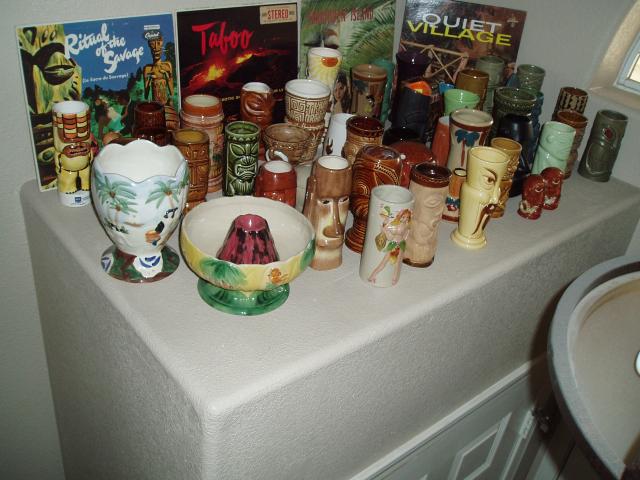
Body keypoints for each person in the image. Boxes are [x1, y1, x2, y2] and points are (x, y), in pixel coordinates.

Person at [367, 208, 412, 285]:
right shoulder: (397, 225)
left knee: (397, 263)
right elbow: (391, 237)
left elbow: (401, 235)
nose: (405, 219)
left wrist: (385, 230)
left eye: (407, 217)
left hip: (399, 244)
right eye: (403, 217)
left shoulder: (404, 226)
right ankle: (372, 276)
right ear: (400, 216)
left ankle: (394, 279)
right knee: (385, 262)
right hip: (394, 244)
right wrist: (385, 230)